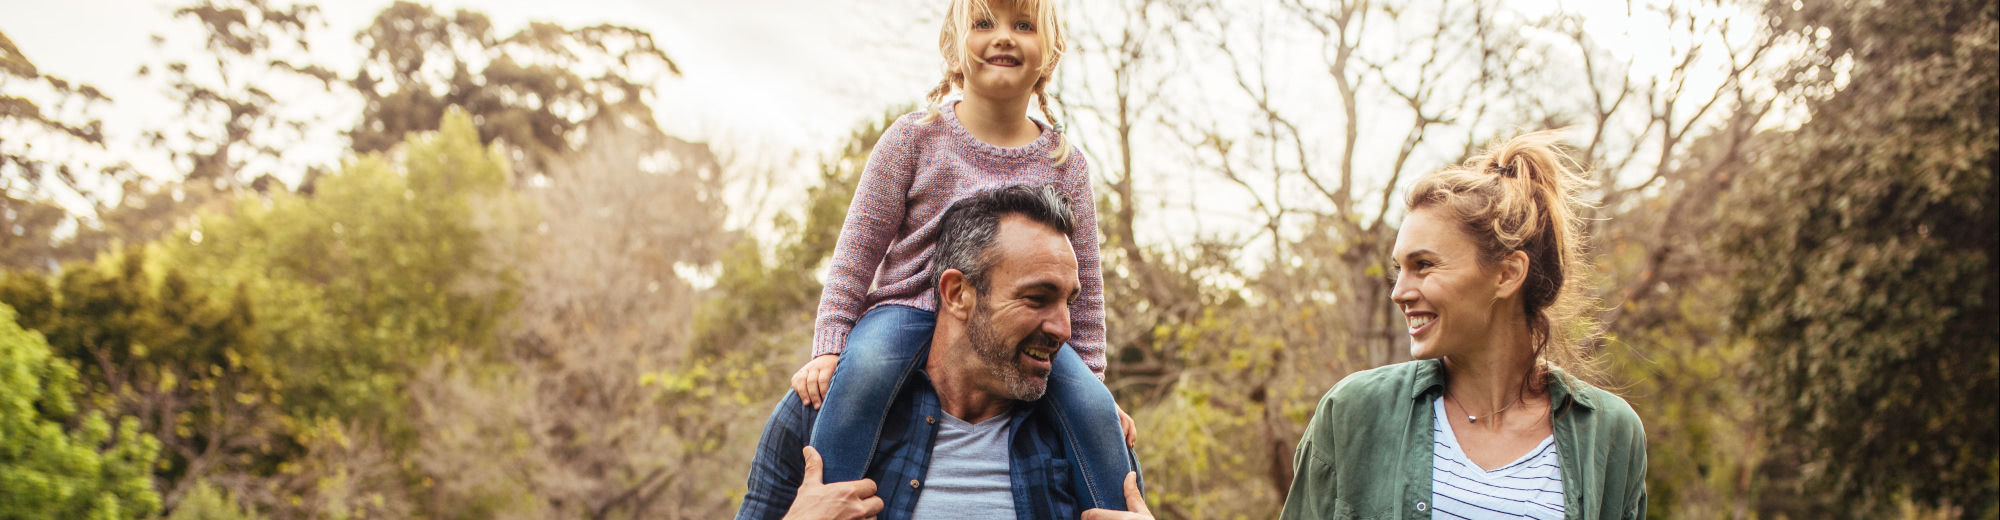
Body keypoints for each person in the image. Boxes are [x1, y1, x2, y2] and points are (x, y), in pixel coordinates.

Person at [786, 0, 1135, 510]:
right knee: (862, 375)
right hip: (907, 309)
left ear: (1049, 54)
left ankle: (1119, 510)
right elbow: (858, 248)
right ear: (954, 48)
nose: (1004, 37)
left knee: (1094, 411)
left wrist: (1091, 378)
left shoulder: (1065, 162)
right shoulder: (914, 137)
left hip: (1012, 322)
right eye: (984, 24)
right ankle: (826, 498)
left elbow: (1083, 290)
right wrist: (830, 342)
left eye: (1023, 26)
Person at [1280, 131, 1648, 519]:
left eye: (1423, 265)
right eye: (1399, 269)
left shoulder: (1609, 434)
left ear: (1506, 274)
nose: (1399, 292)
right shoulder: (1354, 413)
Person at [739, 185, 1152, 520]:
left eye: (1068, 302)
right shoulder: (822, 411)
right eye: (1036, 298)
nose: (1063, 329)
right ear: (957, 294)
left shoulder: (1087, 436)